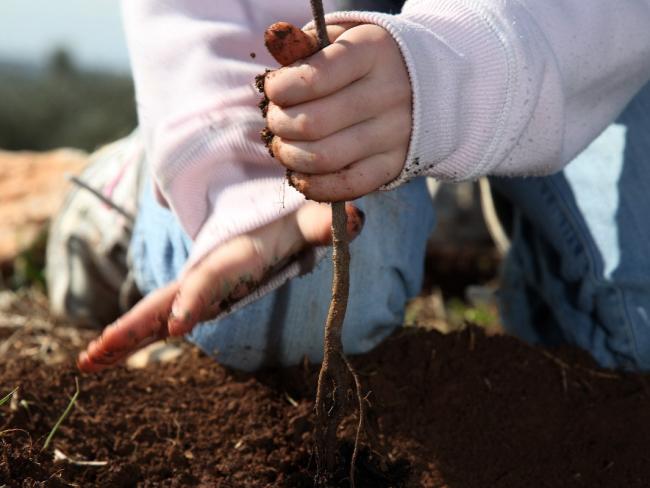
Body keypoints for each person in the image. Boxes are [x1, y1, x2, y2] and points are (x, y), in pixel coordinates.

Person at [54, 1, 650, 373]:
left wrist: (453, 73)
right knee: (283, 310)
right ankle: (138, 183)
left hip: (574, 31)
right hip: (264, 42)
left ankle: (483, 159)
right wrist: (240, 186)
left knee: (635, 336)